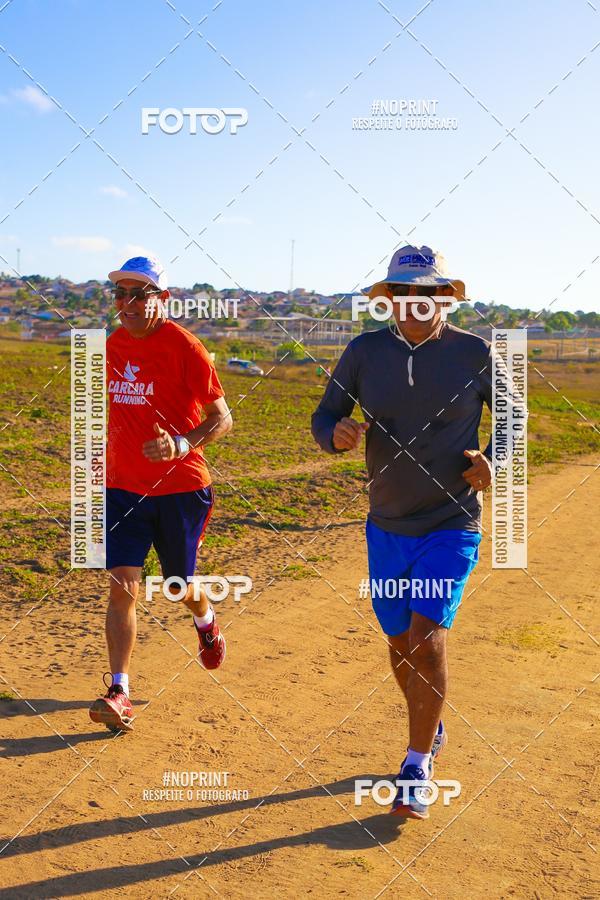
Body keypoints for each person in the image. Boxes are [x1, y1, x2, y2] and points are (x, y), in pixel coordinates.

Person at [311, 245, 499, 818]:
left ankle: (416, 766)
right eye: (403, 292)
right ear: (389, 299)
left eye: (427, 293)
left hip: (451, 521)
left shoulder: (474, 352)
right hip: (387, 524)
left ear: (445, 297)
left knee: (425, 636)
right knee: (399, 642)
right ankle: (430, 725)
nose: (415, 302)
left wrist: (493, 460)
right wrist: (334, 434)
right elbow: (325, 414)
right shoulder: (365, 351)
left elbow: (514, 419)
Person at [89, 255, 232, 733]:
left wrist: (181, 443)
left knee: (176, 586)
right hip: (122, 487)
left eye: (138, 294)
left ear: (162, 299)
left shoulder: (185, 347)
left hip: (180, 488)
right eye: (120, 293)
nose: (126, 302)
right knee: (122, 585)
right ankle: (120, 691)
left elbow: (222, 418)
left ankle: (205, 619)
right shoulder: (111, 344)